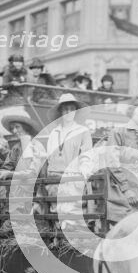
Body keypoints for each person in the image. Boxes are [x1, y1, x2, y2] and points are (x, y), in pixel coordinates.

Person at [0, 109, 47, 214]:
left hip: (37, 194)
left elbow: (33, 173)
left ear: (26, 127)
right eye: (12, 128)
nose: (14, 131)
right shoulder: (16, 148)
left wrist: (9, 173)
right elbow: (4, 170)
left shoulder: (37, 146)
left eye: (17, 127)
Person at [45, 93, 93, 229]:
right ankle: (57, 241)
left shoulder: (82, 131)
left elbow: (87, 154)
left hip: (72, 176)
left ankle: (72, 241)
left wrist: (84, 168)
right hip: (54, 178)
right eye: (65, 109)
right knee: (56, 211)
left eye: (71, 109)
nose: (68, 112)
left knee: (72, 211)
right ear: (60, 112)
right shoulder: (54, 132)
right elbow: (50, 156)